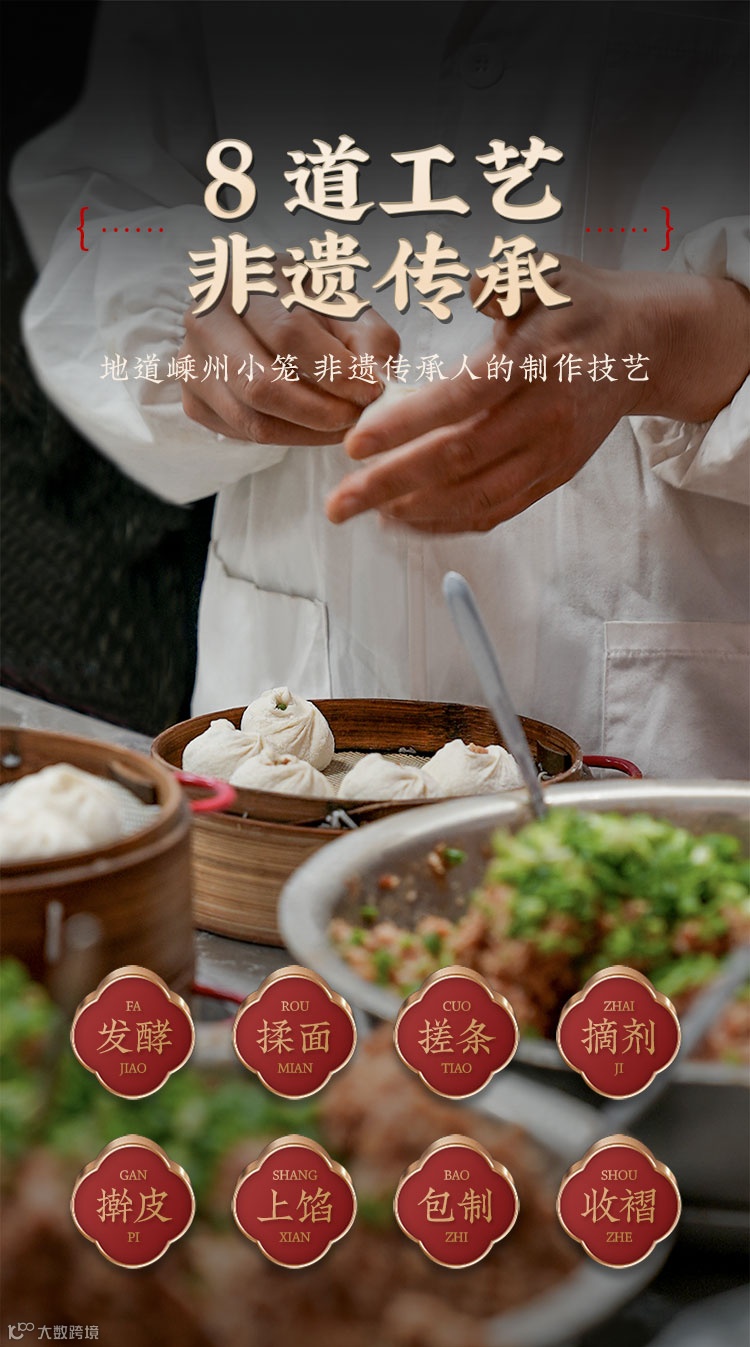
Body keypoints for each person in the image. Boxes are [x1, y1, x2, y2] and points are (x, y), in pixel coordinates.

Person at [10, 0, 749, 777]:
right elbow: (107, 209)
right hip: (295, 692)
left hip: (672, 707)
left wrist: (667, 342)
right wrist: (195, 305)